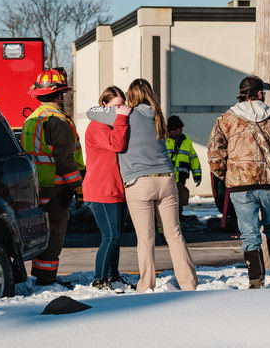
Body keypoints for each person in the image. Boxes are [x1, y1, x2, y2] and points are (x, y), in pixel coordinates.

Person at [87, 78, 198, 293]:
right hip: (167, 179)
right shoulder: (157, 115)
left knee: (146, 238)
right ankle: (189, 282)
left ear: (131, 97)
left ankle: (146, 284)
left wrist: (119, 112)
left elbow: (93, 112)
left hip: (140, 183)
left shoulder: (128, 115)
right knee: (174, 234)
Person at [207, 75, 270, 288]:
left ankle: (256, 279)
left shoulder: (226, 119)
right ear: (259, 93)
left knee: (249, 232)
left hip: (240, 184)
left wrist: (226, 174)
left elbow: (214, 153)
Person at [22, 68, 85, 286]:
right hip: (58, 187)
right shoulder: (58, 120)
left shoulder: (32, 119)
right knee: (55, 232)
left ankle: (39, 276)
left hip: (35, 186)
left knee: (40, 231)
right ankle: (46, 278)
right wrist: (78, 187)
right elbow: (65, 159)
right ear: (58, 95)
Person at [82, 86, 131, 290]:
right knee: (110, 236)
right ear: (104, 105)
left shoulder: (110, 124)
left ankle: (113, 276)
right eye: (115, 106)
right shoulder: (98, 125)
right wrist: (121, 120)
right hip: (101, 190)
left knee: (116, 237)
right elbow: (117, 145)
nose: (120, 110)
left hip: (116, 190)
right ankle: (99, 279)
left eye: (122, 105)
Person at [165, 115, 202, 217]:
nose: (182, 130)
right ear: (172, 130)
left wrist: (197, 175)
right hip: (166, 180)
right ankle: (162, 231)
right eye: (179, 129)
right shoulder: (163, 140)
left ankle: (177, 228)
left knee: (179, 205)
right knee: (166, 206)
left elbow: (193, 158)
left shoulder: (186, 140)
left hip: (181, 180)